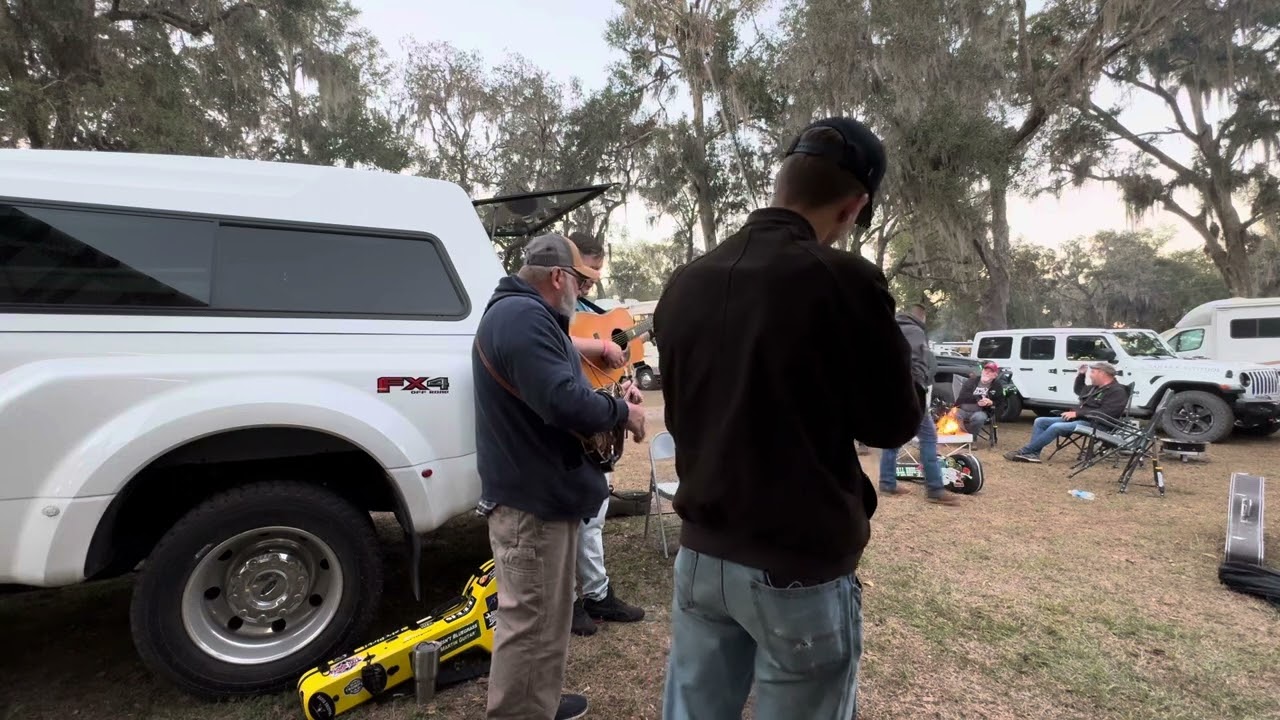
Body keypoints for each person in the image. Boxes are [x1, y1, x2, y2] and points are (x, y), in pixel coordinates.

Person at [654, 117, 921, 720]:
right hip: (796, 565)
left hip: (700, 558)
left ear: (781, 183)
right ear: (854, 208)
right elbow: (891, 424)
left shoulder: (685, 283)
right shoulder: (844, 279)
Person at [472, 233, 646, 720]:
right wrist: (620, 413)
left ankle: (538, 702)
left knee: (546, 618)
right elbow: (562, 401)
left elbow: (561, 390)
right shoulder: (524, 317)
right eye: (582, 280)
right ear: (558, 277)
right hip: (532, 505)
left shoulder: (523, 315)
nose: (583, 291)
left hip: (542, 497)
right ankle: (521, 711)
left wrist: (610, 402)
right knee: (530, 622)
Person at [564, 231, 646, 636]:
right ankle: (574, 601)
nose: (593, 278)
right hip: (570, 425)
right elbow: (554, 338)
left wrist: (626, 381)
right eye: (589, 270)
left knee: (592, 516)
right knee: (573, 519)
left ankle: (596, 593)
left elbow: (612, 362)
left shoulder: (590, 308)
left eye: (597, 271)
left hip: (599, 415)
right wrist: (600, 350)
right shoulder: (553, 305)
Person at [878, 304, 960, 506]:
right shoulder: (914, 331)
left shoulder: (890, 328)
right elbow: (914, 361)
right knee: (928, 437)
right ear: (921, 317)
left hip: (889, 391)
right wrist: (919, 383)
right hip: (909, 391)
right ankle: (934, 488)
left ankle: (887, 482)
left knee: (895, 437)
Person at [1004, 361, 1130, 463]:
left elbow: (1107, 413)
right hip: (1084, 420)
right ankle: (1034, 454)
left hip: (1098, 424)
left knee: (1056, 426)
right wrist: (1081, 375)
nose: (1090, 375)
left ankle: (1024, 451)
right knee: (1040, 421)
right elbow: (1080, 390)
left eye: (1093, 372)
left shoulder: (1117, 391)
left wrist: (1077, 414)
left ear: (1103, 373)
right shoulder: (1096, 388)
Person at [955, 361, 1004, 435]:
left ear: (995, 375)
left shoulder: (997, 386)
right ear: (982, 371)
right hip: (963, 409)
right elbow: (963, 396)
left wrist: (991, 402)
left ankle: (972, 437)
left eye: (990, 371)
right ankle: (964, 435)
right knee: (953, 414)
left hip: (981, 411)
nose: (986, 373)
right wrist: (977, 399)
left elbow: (1001, 401)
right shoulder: (971, 381)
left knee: (979, 418)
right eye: (985, 370)